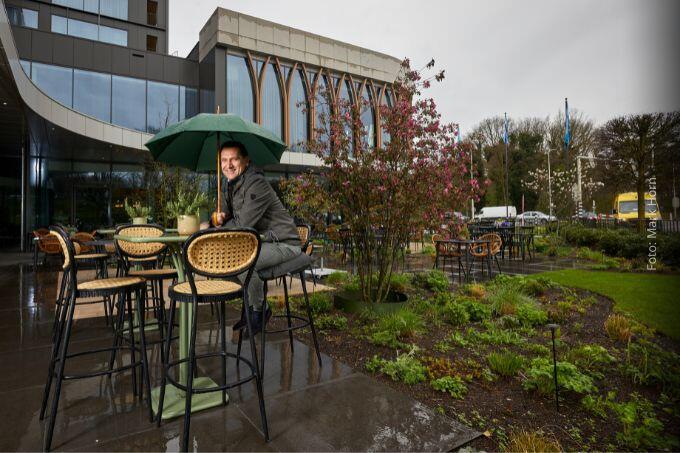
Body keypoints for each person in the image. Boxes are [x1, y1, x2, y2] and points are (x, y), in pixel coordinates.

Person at [212, 141, 301, 335]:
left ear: (246, 160)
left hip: (284, 242)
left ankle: (260, 311)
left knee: (244, 261)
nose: (229, 165)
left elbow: (243, 225)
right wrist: (214, 218)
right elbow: (223, 216)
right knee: (224, 263)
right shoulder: (230, 184)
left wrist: (218, 225)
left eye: (234, 159)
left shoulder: (256, 183)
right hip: (263, 241)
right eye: (224, 160)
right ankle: (250, 307)